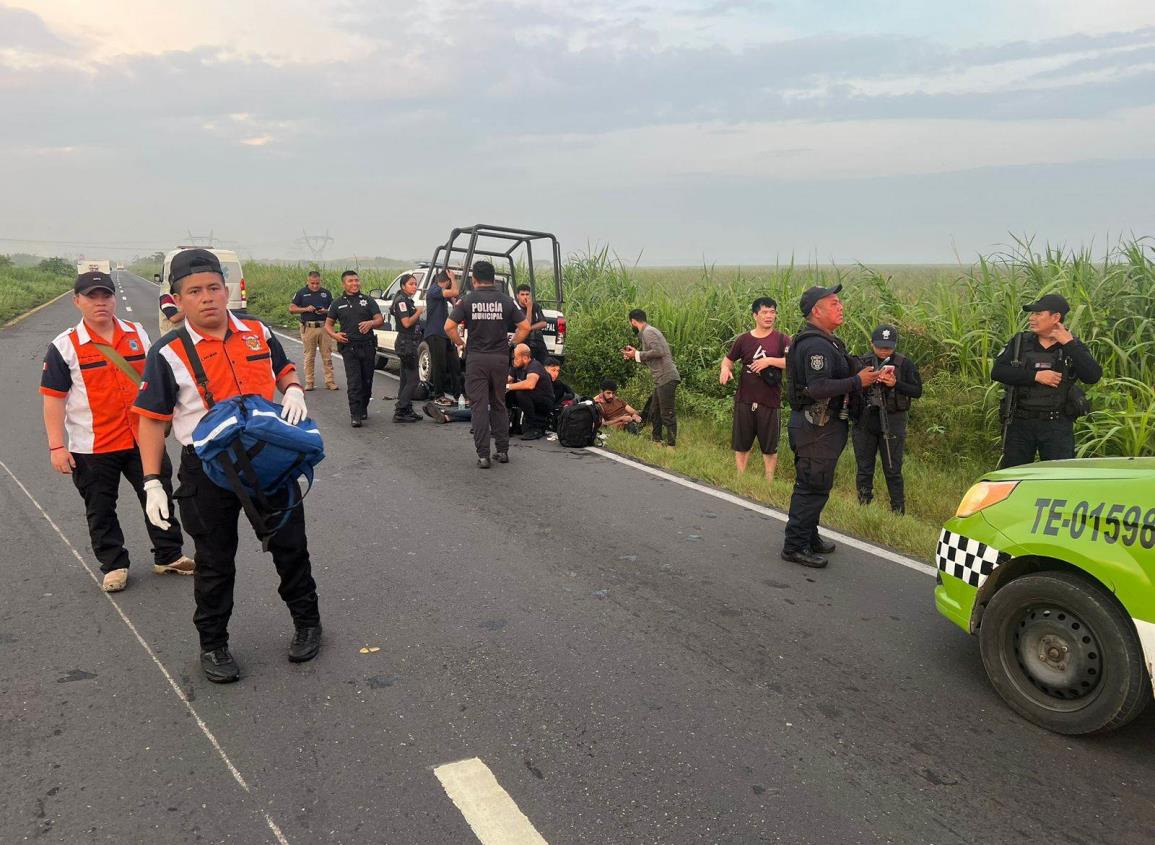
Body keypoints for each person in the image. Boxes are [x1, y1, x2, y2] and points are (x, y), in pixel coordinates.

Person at [131, 248, 321, 684]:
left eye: (214, 287)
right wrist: (152, 483)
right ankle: (213, 644)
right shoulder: (168, 353)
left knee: (291, 546)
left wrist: (293, 389)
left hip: (267, 458)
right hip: (208, 466)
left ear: (227, 288)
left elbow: (285, 369)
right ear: (178, 300)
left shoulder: (257, 331)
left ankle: (308, 623)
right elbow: (151, 423)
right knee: (215, 562)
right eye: (194, 291)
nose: (208, 297)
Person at [40, 271, 194, 593]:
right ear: (77, 301)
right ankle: (114, 564)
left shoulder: (137, 333)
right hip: (92, 445)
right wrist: (57, 447)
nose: (100, 303)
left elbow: (158, 381)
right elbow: (53, 400)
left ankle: (168, 554)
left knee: (159, 493)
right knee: (100, 508)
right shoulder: (64, 346)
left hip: (142, 439)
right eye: (91, 297)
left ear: (113, 298)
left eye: (106, 296)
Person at [781, 285, 882, 569]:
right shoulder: (815, 345)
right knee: (811, 485)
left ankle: (808, 535)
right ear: (817, 310)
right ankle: (794, 545)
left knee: (819, 484)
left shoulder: (828, 341)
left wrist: (867, 375)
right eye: (834, 303)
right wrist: (857, 382)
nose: (841, 307)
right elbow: (818, 387)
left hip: (823, 426)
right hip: (816, 425)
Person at [991, 293, 1102, 467]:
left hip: (1056, 426)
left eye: (1038, 314)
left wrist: (1069, 344)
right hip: (1020, 423)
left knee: (1058, 477)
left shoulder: (1072, 345)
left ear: (1055, 317)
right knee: (1013, 475)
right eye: (1032, 314)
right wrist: (1036, 376)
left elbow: (1093, 376)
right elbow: (998, 371)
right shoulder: (1020, 342)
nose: (1031, 318)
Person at [446, 260, 531, 468]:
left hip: (477, 358)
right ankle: (502, 451)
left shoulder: (467, 300)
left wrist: (460, 343)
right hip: (500, 358)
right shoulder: (506, 301)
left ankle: (483, 455)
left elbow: (449, 326)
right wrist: (513, 343)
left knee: (479, 406)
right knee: (499, 404)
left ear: (474, 279)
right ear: (493, 279)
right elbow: (525, 326)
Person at [851, 324, 923, 514]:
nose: (884, 351)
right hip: (865, 420)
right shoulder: (861, 361)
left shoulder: (904, 363)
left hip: (893, 421)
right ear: (871, 344)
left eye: (888, 347)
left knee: (893, 468)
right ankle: (864, 505)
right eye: (880, 347)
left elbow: (917, 391)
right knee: (864, 467)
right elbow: (849, 388)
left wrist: (895, 383)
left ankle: (898, 510)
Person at [719, 297, 789, 481]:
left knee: (769, 446)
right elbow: (729, 359)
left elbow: (792, 362)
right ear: (755, 315)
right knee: (742, 444)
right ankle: (740, 478)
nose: (769, 316)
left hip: (770, 400)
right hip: (745, 399)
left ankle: (768, 481)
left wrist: (769, 361)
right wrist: (725, 369)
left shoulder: (782, 339)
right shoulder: (744, 339)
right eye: (765, 312)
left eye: (772, 312)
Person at [325, 270, 383, 427]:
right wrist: (335, 335)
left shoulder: (368, 300)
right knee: (354, 382)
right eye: (350, 281)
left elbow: (379, 319)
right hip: (349, 347)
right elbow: (328, 324)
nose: (354, 283)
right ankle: (355, 414)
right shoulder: (337, 303)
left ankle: (363, 406)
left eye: (356, 280)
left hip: (368, 345)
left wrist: (371, 323)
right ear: (344, 284)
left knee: (367, 380)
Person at [622, 309, 680, 448]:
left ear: (633, 321)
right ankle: (656, 441)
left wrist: (638, 354)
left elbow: (658, 352)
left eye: (631, 323)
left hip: (666, 377)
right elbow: (651, 358)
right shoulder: (647, 333)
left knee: (667, 413)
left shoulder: (649, 332)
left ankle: (671, 445)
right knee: (654, 410)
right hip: (661, 378)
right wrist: (634, 355)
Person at [289, 270, 338, 391]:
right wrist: (306, 309)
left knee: (327, 355)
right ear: (308, 281)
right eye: (312, 283)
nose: (315, 286)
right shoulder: (301, 293)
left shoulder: (326, 293)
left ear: (320, 281)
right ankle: (309, 382)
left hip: (324, 327)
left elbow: (333, 310)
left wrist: (325, 311)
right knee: (309, 356)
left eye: (317, 283)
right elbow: (292, 309)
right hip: (309, 327)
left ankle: (330, 381)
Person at [389, 273, 423, 423]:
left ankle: (406, 407)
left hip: (408, 342)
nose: (414, 287)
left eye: (415, 284)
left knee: (405, 378)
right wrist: (418, 312)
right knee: (413, 379)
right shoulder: (401, 301)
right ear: (403, 286)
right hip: (406, 343)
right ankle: (401, 410)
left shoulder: (407, 300)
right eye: (411, 284)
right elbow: (407, 323)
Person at [425, 270, 463, 405]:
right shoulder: (434, 290)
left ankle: (458, 394)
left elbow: (454, 300)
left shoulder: (441, 293)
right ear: (446, 282)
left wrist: (456, 303)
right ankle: (438, 395)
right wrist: (453, 278)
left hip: (445, 334)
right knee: (439, 365)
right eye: (450, 282)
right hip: (435, 333)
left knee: (454, 364)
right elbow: (455, 292)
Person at [506, 343, 554, 440]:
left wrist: (507, 386)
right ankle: (506, 425)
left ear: (525, 358)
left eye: (515, 358)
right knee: (507, 394)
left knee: (521, 392)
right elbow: (508, 380)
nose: (513, 360)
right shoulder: (516, 366)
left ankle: (535, 427)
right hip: (531, 398)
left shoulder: (534, 365)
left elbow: (530, 384)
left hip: (544, 402)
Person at [516, 284, 549, 363]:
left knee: (546, 363)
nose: (525, 297)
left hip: (537, 341)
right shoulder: (515, 307)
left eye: (527, 294)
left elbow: (543, 323)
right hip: (523, 341)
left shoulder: (536, 306)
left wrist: (529, 328)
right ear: (517, 296)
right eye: (522, 294)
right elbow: (527, 323)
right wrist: (529, 308)